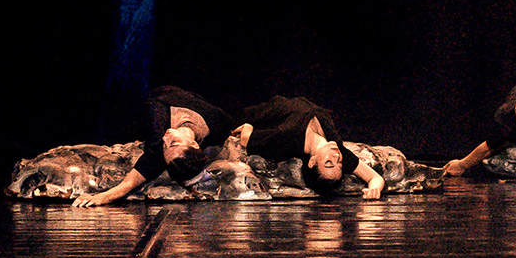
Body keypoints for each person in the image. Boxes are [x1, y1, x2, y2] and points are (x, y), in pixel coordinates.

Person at [73, 85, 232, 206]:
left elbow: (137, 175)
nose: (165, 138)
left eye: (165, 146)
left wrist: (103, 197)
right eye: (174, 143)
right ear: (194, 144)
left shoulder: (158, 134)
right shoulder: (219, 127)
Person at [232, 95, 385, 199]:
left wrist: (247, 128)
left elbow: (246, 137)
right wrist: (375, 188)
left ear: (312, 162)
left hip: (253, 112)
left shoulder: (286, 141)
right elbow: (375, 177)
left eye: (329, 162)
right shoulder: (336, 147)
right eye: (339, 162)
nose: (337, 157)